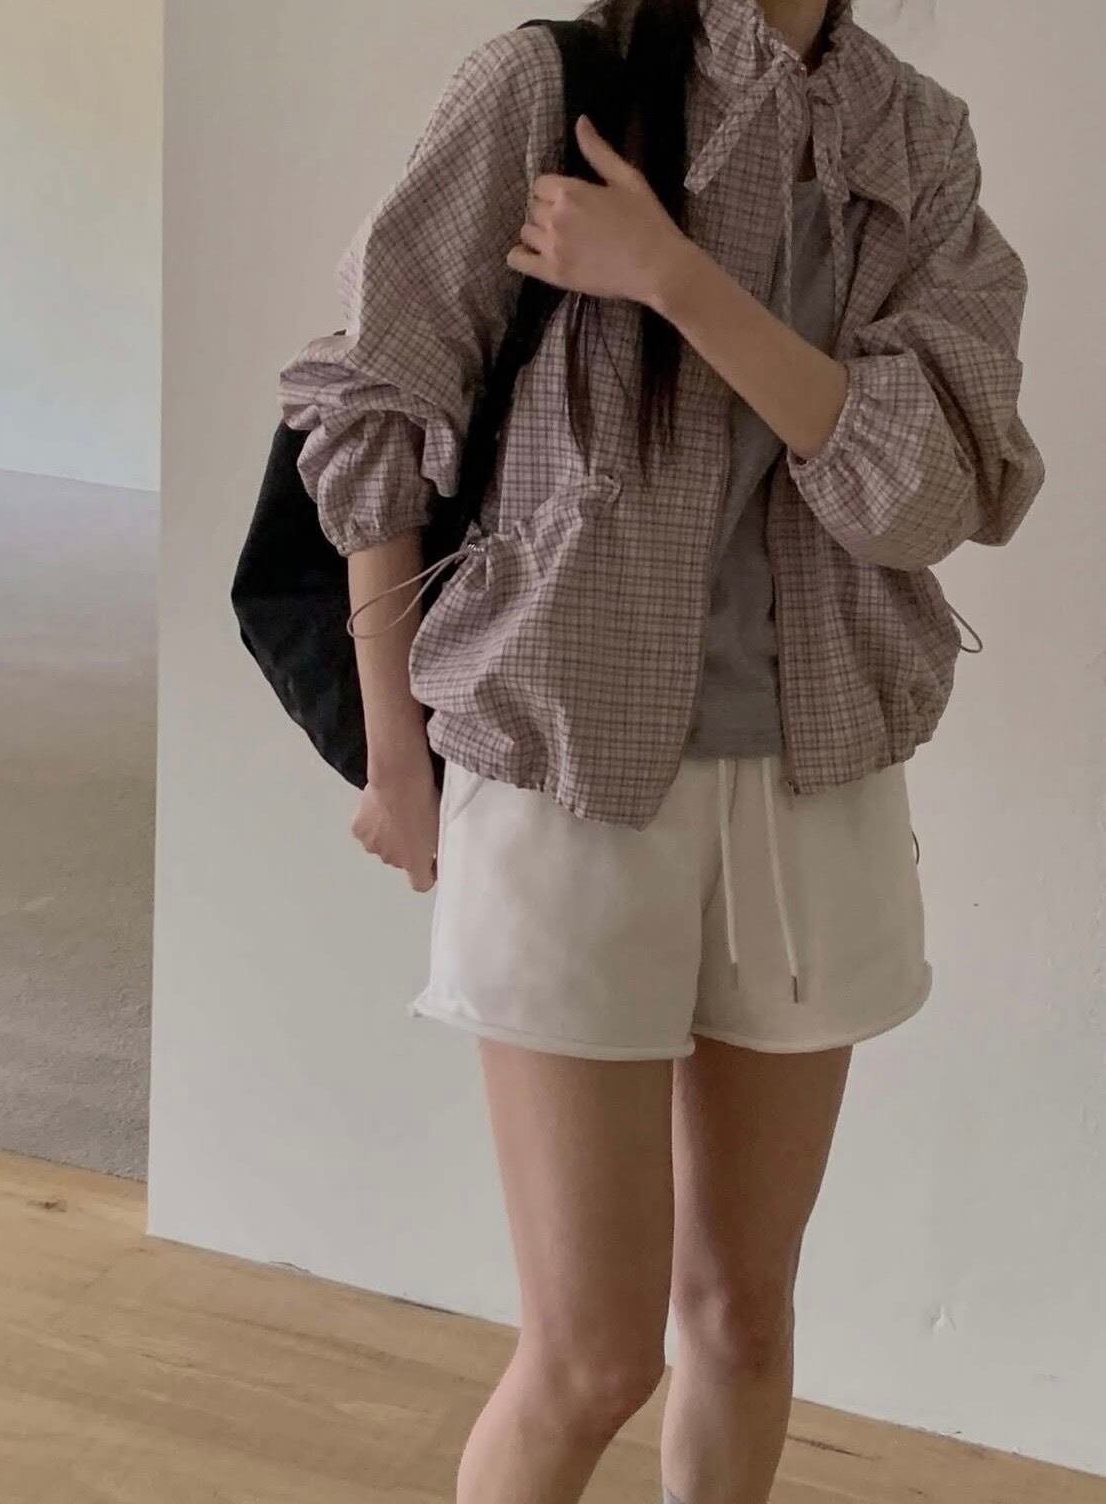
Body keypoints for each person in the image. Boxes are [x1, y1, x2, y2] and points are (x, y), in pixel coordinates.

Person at [277, 0, 1045, 1500]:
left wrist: (672, 276)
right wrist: (393, 754)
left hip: (815, 783)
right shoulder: (551, 84)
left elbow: (922, 497)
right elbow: (375, 407)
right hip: (568, 778)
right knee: (592, 1358)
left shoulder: (913, 138)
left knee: (742, 1321)